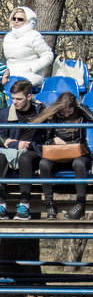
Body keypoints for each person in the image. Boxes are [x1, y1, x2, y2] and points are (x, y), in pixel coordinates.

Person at [0, 79, 43, 221]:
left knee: (26, 158)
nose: (15, 102)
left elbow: (41, 139)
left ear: (29, 97)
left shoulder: (40, 112)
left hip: (31, 151)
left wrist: (16, 144)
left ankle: (24, 205)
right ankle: (1, 205)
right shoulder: (4, 114)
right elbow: (1, 139)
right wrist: (17, 144)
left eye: (19, 99)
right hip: (9, 151)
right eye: (13, 98)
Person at [33, 91, 93, 219]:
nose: (66, 115)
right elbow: (45, 141)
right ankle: (49, 204)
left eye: (69, 112)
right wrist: (54, 141)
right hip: (58, 154)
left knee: (79, 163)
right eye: (63, 112)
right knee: (44, 164)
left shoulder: (81, 114)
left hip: (78, 153)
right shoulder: (53, 117)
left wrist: (80, 106)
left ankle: (80, 204)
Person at [3, 6, 54, 87]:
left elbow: (48, 55)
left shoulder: (34, 36)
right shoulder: (8, 37)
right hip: (10, 76)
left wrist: (34, 68)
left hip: (29, 76)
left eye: (20, 19)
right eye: (14, 18)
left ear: (28, 21)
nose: (16, 21)